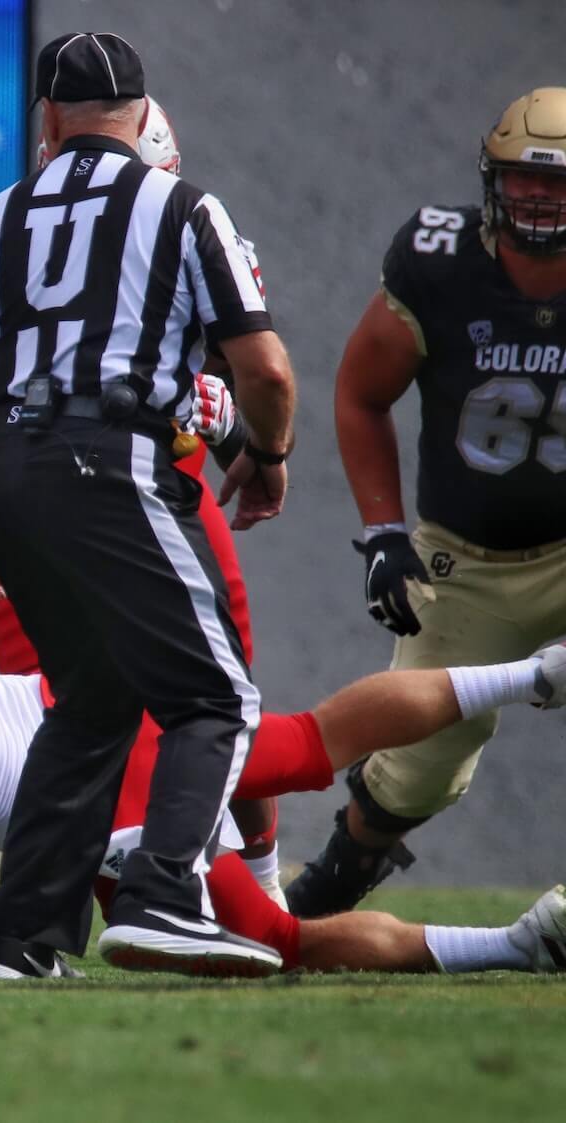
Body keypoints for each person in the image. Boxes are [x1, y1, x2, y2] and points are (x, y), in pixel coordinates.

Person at [0, 95, 284, 903]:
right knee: (133, 714)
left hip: (123, 493)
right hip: (76, 486)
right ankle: (162, 899)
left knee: (202, 696)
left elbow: (234, 381)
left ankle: (236, 889)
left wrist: (227, 425)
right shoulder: (31, 244)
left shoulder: (122, 229)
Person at [0, 33, 298, 976]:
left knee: (90, 702)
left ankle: (19, 937)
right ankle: (167, 893)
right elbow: (266, 368)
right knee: (216, 694)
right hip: (111, 452)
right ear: (142, 116)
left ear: (47, 119)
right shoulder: (182, 205)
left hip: (5, 459)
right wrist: (271, 452)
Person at [0, 582, 566, 977]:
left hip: (102, 801)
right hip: (104, 699)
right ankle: (532, 675)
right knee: (314, 736)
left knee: (281, 944)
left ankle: (516, 946)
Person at [288, 87, 566, 918]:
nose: (542, 200)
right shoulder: (440, 261)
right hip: (467, 557)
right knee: (418, 760)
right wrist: (382, 533)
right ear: (493, 180)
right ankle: (342, 870)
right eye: (525, 181)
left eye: (559, 185)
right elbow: (360, 392)